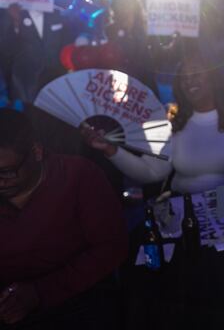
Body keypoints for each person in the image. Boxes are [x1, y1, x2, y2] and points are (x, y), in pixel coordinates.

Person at [0, 108, 128, 328]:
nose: (0, 182)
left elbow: (112, 247)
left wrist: (40, 292)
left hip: (76, 301)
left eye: (8, 172)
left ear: (37, 152)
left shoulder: (78, 176)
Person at [82, 40, 224, 194]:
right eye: (183, 77)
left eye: (196, 73)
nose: (189, 80)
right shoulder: (170, 124)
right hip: (185, 214)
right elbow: (152, 171)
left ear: (213, 78)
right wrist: (111, 150)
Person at [0, 4, 71, 103]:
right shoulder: (8, 15)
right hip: (25, 81)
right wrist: (15, 23)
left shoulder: (58, 13)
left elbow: (67, 43)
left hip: (55, 77)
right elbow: (6, 50)